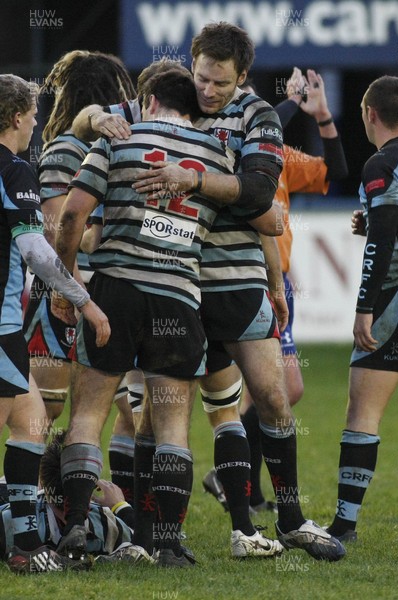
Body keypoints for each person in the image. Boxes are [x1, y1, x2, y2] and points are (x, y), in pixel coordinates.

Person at [130, 23, 346, 562]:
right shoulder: (179, 102)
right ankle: (152, 535)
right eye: (202, 77)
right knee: (160, 413)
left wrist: (196, 180)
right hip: (176, 281)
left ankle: (291, 519)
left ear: (243, 77)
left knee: (273, 398)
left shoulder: (259, 116)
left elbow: (256, 191)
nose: (207, 91)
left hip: (239, 279)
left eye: (220, 84)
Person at [53, 68, 280, 568]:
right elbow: (267, 217)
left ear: (148, 99)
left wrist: (67, 283)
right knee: (174, 424)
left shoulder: (120, 139)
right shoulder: (216, 156)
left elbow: (71, 216)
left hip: (114, 293)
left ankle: (73, 528)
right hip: (178, 298)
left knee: (89, 414)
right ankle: (168, 542)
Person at [0, 73, 110, 574]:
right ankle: (21, 543)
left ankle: (24, 544)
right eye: (33, 117)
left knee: (32, 421)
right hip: (2, 329)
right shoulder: (15, 170)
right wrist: (83, 300)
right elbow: (36, 252)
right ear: (17, 118)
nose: (37, 124)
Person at [235, 68, 348, 513]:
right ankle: (236, 478)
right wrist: (290, 100)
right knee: (282, 387)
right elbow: (261, 128)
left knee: (267, 392)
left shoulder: (279, 155)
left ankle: (239, 482)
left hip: (278, 283)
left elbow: (333, 170)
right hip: (251, 279)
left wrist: (321, 115)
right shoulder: (236, 152)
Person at [325, 75, 398, 542]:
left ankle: (345, 525)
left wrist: (364, 308)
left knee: (363, 411)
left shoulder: (381, 163)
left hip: (392, 304)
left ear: (370, 115)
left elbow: (385, 239)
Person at [0, 432, 142, 571]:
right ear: (92, 483)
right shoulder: (105, 525)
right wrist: (120, 506)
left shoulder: (11, 520)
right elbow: (143, 543)